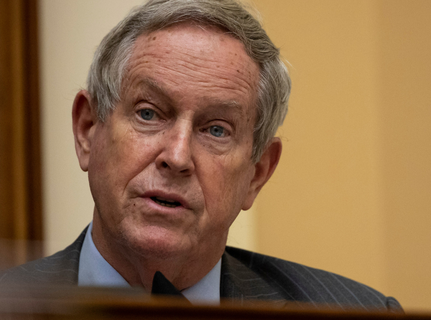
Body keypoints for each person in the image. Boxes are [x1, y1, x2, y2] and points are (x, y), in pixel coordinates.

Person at [0, 0, 401, 312]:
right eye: (148, 113)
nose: (177, 157)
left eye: (216, 130)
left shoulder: (355, 313)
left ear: (257, 174)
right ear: (88, 130)